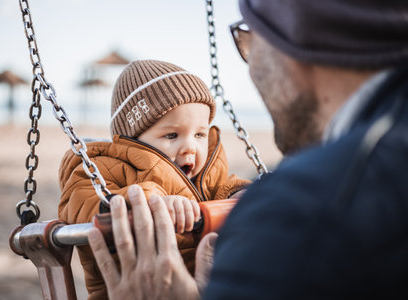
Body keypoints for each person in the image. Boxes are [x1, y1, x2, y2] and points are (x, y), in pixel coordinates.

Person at [87, 0, 408, 299]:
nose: (250, 61)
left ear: (292, 35)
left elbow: (227, 187)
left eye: (249, 37)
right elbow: (90, 203)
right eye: (171, 134)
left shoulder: (298, 208)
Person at [58, 59, 250, 299]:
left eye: (200, 134)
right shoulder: (102, 168)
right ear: (133, 137)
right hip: (129, 289)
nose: (190, 147)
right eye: (172, 135)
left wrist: (240, 194)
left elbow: (225, 185)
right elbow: (81, 204)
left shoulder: (207, 172)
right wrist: (151, 201)